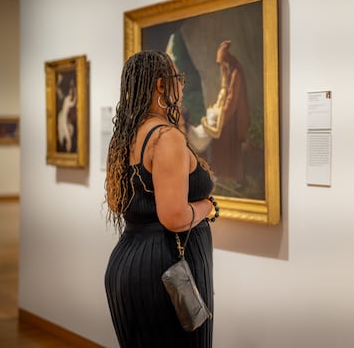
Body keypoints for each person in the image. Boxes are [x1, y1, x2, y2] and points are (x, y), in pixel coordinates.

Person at [104, 50, 218, 347]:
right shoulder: (166, 137)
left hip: (128, 265)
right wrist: (208, 207)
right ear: (159, 85)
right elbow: (175, 218)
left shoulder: (124, 137)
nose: (181, 87)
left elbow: (118, 203)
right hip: (166, 271)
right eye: (178, 79)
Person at [202, 40, 250, 184]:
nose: (221, 67)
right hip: (229, 118)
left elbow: (232, 100)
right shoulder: (230, 73)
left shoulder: (236, 74)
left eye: (222, 64)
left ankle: (229, 177)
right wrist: (223, 74)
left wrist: (221, 116)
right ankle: (222, 176)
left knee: (225, 145)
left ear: (227, 60)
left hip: (232, 120)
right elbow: (225, 89)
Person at [57, 78, 77, 152]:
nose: (71, 90)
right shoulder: (67, 100)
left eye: (73, 87)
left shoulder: (75, 99)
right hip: (63, 123)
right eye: (70, 87)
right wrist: (69, 140)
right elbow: (63, 120)